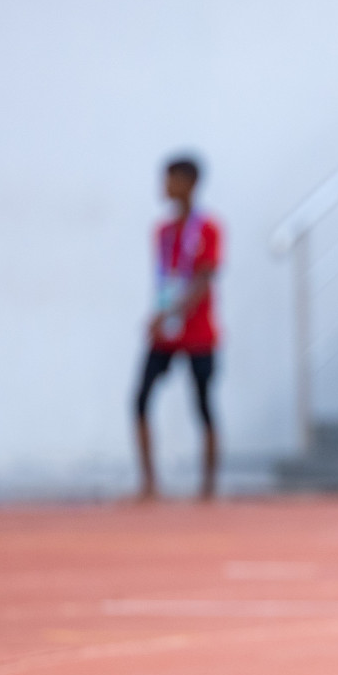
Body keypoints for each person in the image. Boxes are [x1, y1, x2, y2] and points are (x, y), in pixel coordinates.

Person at [134, 155, 222, 501]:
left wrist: (169, 311)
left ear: (190, 183)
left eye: (171, 179)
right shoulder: (162, 232)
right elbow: (164, 281)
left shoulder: (209, 229)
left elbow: (203, 281)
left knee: (203, 404)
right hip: (166, 333)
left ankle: (208, 487)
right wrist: (160, 316)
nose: (165, 187)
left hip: (199, 332)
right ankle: (149, 484)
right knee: (140, 399)